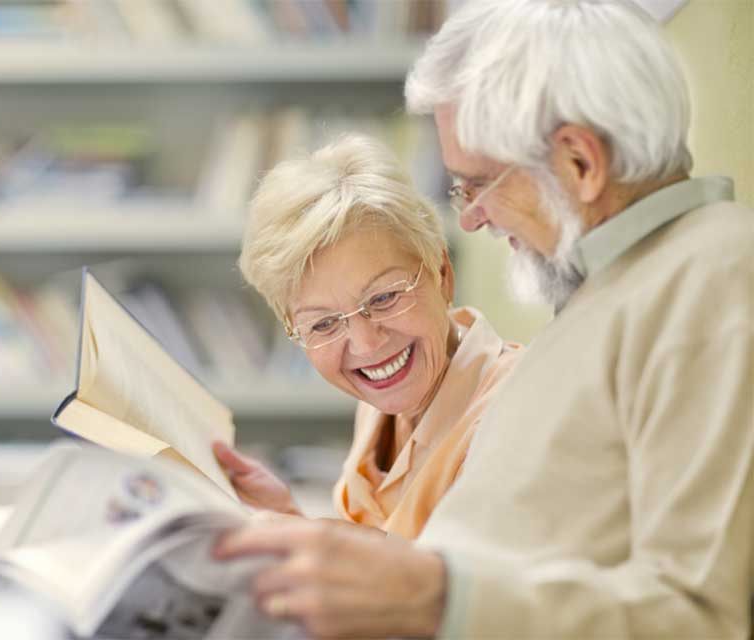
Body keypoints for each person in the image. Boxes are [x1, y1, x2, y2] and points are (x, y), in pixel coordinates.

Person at [214, 1, 754, 638]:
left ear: (580, 163)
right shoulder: (614, 293)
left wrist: (436, 597)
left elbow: (704, 617)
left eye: (479, 185)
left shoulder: (715, 278)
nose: (471, 219)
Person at [212, 133, 522, 540]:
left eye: (385, 297)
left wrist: (310, 544)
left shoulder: (516, 415)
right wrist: (287, 516)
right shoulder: (383, 405)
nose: (366, 343)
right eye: (323, 324)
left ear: (442, 273)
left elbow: (456, 594)